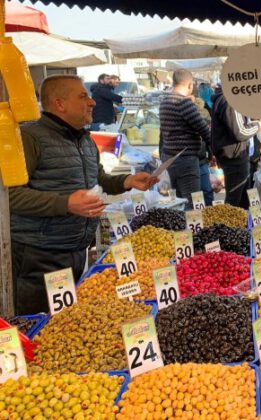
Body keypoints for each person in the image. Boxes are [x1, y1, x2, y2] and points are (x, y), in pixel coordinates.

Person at [9, 75, 157, 315]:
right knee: (38, 329)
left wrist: (128, 181)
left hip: (76, 252)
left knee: (70, 328)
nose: (93, 102)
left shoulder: (85, 140)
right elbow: (9, 197)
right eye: (83, 96)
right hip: (38, 257)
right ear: (59, 104)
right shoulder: (29, 138)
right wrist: (65, 203)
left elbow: (100, 179)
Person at [210, 87, 261, 208]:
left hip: (235, 155)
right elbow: (240, 132)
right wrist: (258, 126)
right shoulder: (230, 101)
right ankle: (229, 225)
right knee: (234, 201)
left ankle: (243, 224)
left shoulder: (226, 100)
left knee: (243, 199)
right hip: (234, 157)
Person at [159, 69, 210, 209]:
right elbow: (203, 128)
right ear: (190, 85)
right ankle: (193, 231)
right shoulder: (184, 103)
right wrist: (216, 148)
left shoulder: (164, 102)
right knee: (192, 202)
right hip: (185, 159)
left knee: (177, 202)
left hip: (168, 158)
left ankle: (181, 229)